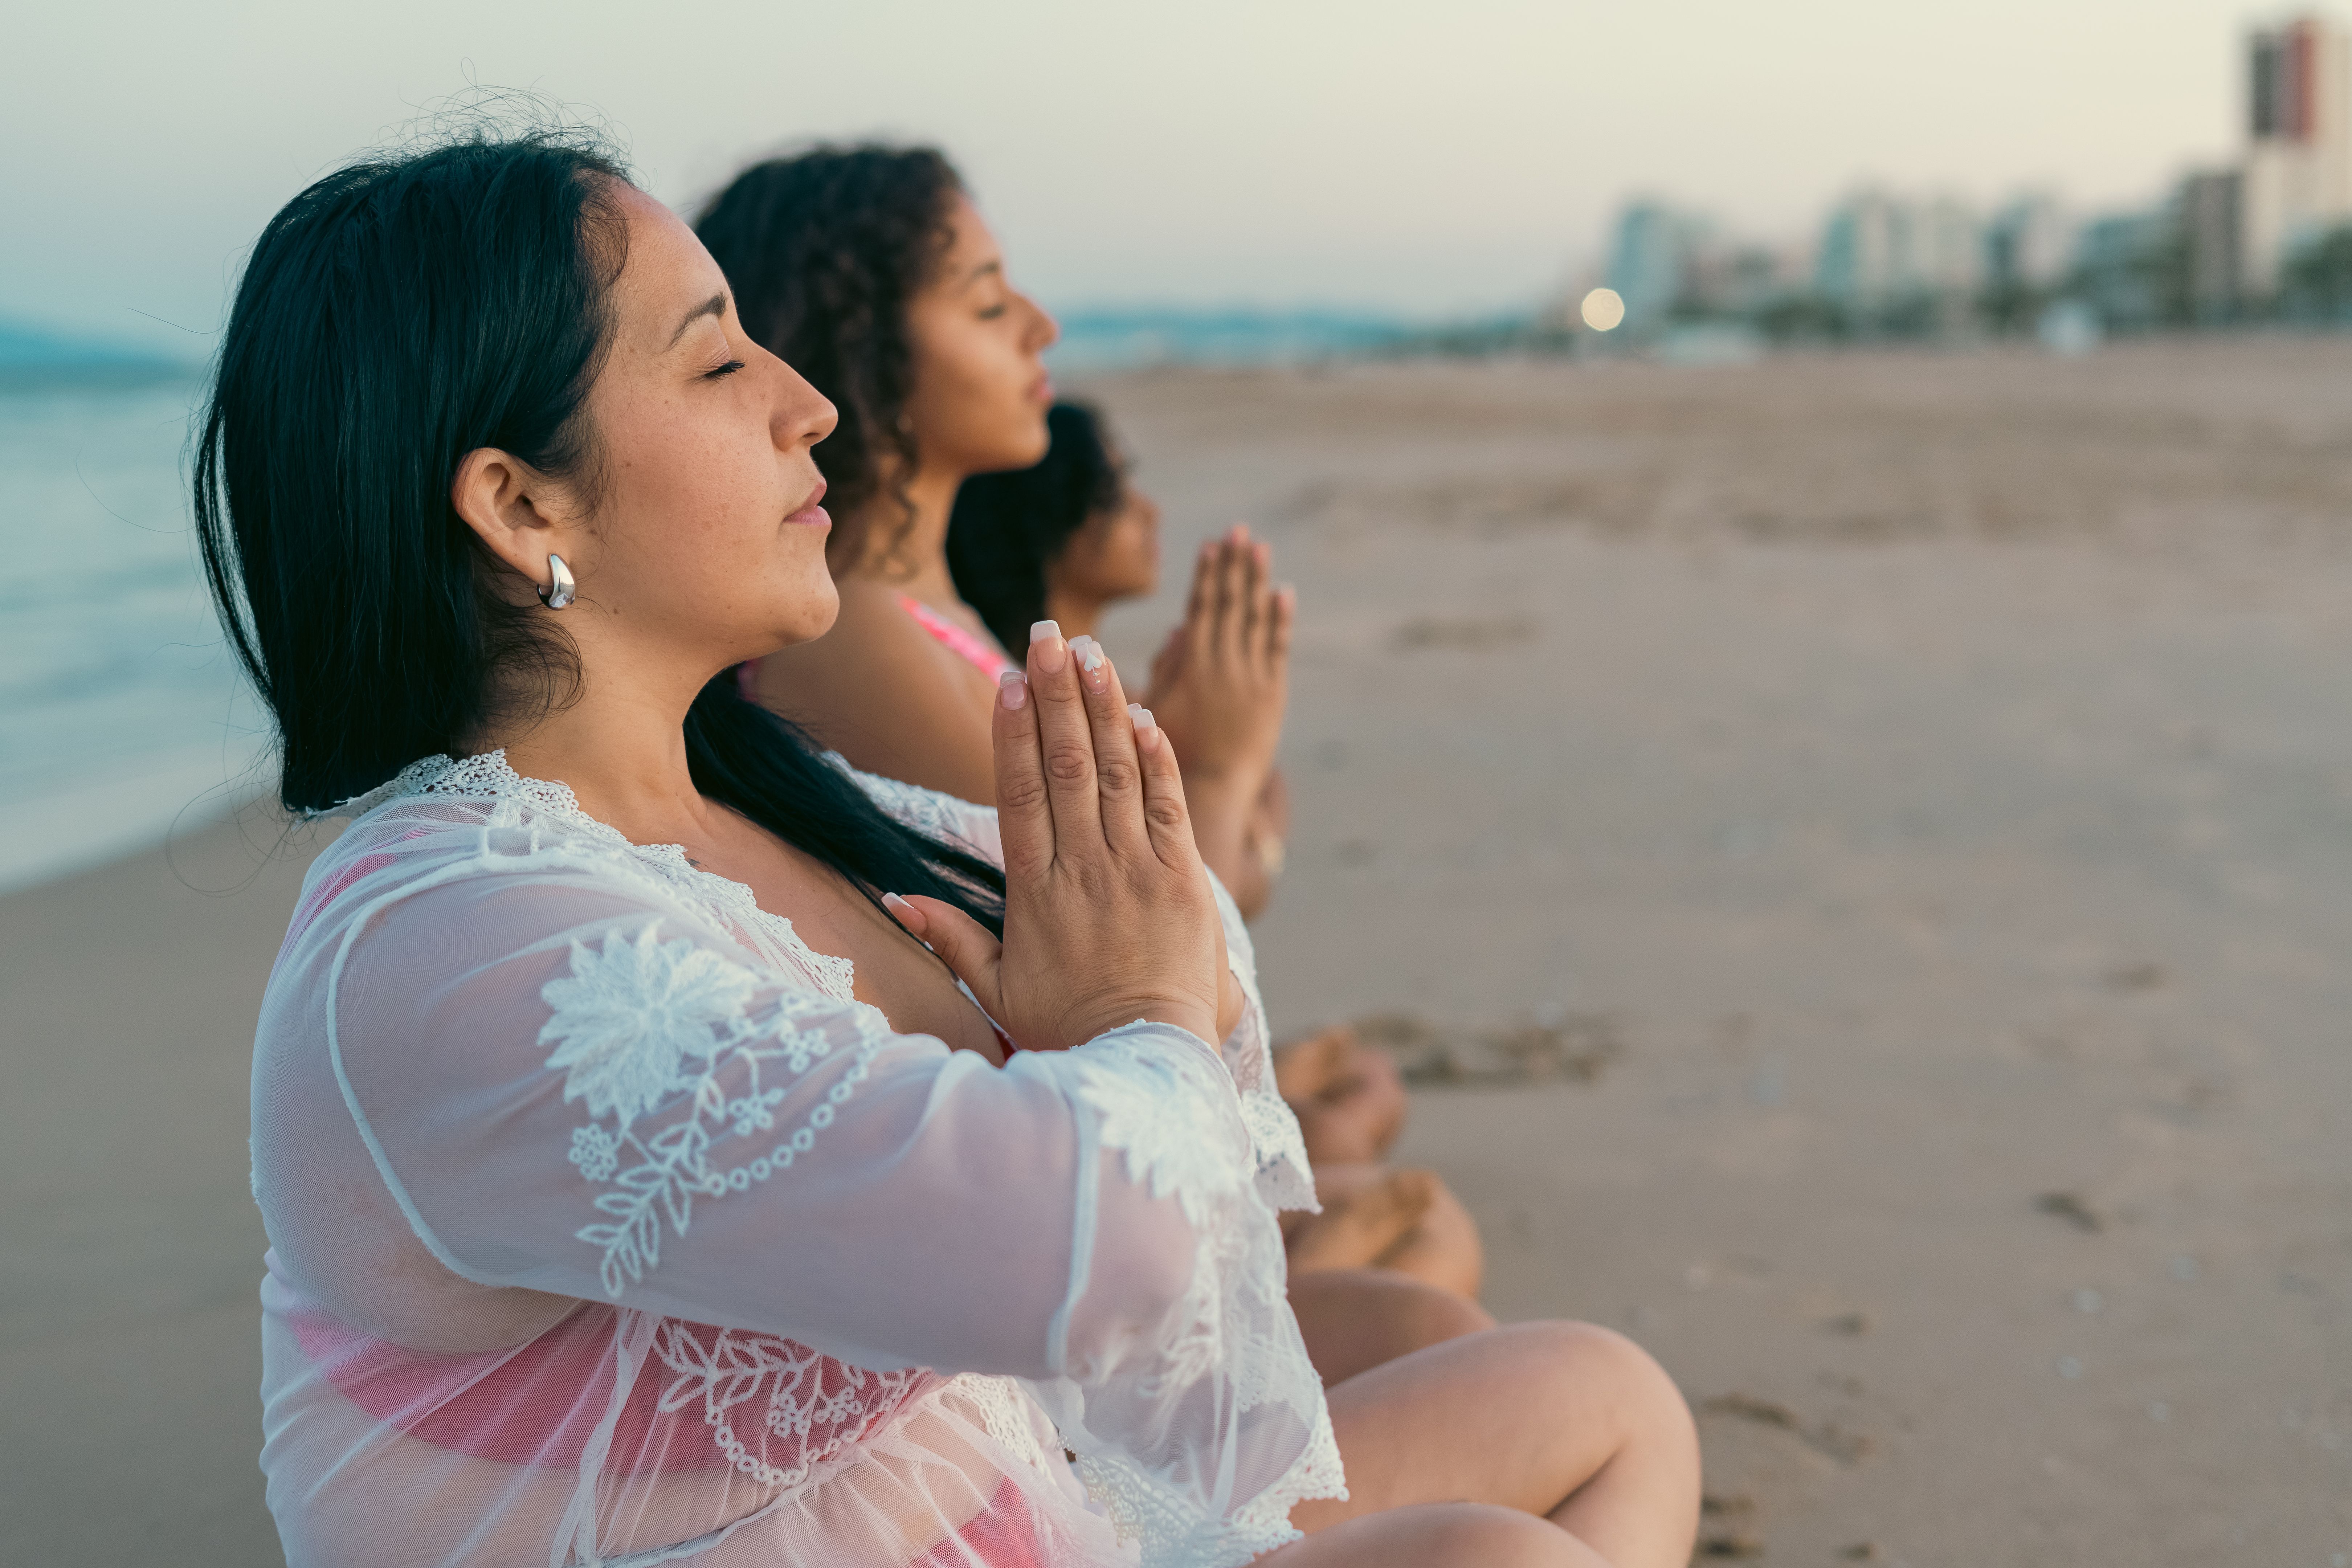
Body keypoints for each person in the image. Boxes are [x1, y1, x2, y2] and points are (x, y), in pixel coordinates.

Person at [199, 123, 1699, 1567]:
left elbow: (1161, 1026)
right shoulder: (455, 946)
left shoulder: (755, 798)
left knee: (1606, 1405)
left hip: (1026, 1496)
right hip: (995, 1498)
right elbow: (1098, 1238)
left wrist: (1124, 1011)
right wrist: (1125, 1023)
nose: (809, 405)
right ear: (521, 505)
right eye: (719, 360)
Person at [696, 147, 1484, 1313]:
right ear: (863, 352)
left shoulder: (924, 614)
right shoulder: (858, 640)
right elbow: (1134, 957)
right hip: (1080, 1197)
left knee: (1406, 1215)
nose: (1041, 328)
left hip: (1115, 1140)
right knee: (1427, 1254)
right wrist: (1216, 764)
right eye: (984, 300)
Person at [951, 402, 1416, 1176]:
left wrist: (1231, 766)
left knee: (1373, 1083)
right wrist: (1223, 768)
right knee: (1359, 1125)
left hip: (1171, 1027)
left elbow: (1228, 876)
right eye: (1117, 488)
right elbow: (1195, 900)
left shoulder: (1119, 690)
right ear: (1051, 522)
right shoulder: (1025, 705)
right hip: (1113, 1068)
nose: (1149, 510)